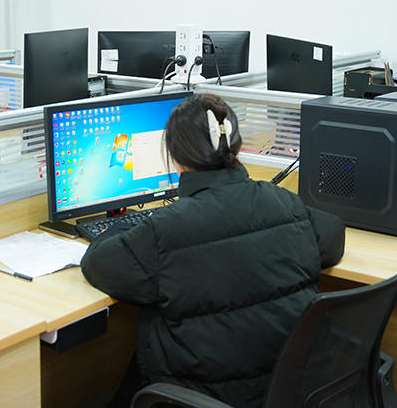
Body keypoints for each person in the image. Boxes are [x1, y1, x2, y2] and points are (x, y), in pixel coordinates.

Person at [81, 93, 345, 407]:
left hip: (203, 397)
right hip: (288, 391)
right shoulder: (284, 202)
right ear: (237, 148)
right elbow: (333, 234)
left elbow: (98, 263)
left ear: (175, 157)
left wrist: (123, 228)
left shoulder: (166, 230)